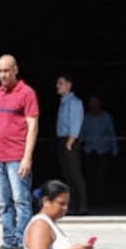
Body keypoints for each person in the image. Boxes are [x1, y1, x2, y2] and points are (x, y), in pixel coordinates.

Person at [0, 54, 39, 249]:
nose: (3, 75)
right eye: (0, 71)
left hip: (16, 156)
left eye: (7, 71)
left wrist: (27, 157)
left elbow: (33, 126)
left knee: (21, 200)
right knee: (3, 201)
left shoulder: (27, 93)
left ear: (15, 70)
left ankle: (22, 240)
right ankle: (8, 239)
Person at [55, 74, 88, 216]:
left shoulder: (74, 102)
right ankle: (72, 206)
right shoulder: (63, 102)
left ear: (69, 85)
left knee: (75, 175)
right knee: (68, 175)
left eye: (61, 83)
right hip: (62, 139)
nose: (58, 86)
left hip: (70, 141)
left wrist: (70, 141)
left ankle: (82, 206)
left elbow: (76, 122)